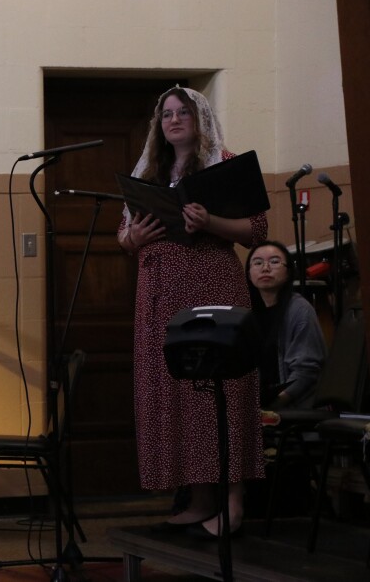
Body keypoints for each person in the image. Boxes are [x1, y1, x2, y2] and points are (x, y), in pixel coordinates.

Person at [117, 86, 268, 539]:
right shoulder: (148, 171)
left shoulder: (225, 163)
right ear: (158, 124)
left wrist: (210, 223)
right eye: (167, 113)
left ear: (200, 118)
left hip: (210, 285)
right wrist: (135, 239)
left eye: (184, 112)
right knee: (177, 393)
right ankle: (199, 498)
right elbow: (122, 238)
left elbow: (257, 231)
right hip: (159, 293)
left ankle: (234, 500)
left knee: (220, 392)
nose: (175, 119)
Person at [246, 240, 326, 410]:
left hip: (295, 407)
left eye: (274, 262)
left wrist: (273, 406)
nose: (265, 268)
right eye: (257, 263)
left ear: (289, 272)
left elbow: (306, 371)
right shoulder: (246, 313)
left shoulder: (300, 310)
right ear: (249, 273)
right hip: (261, 406)